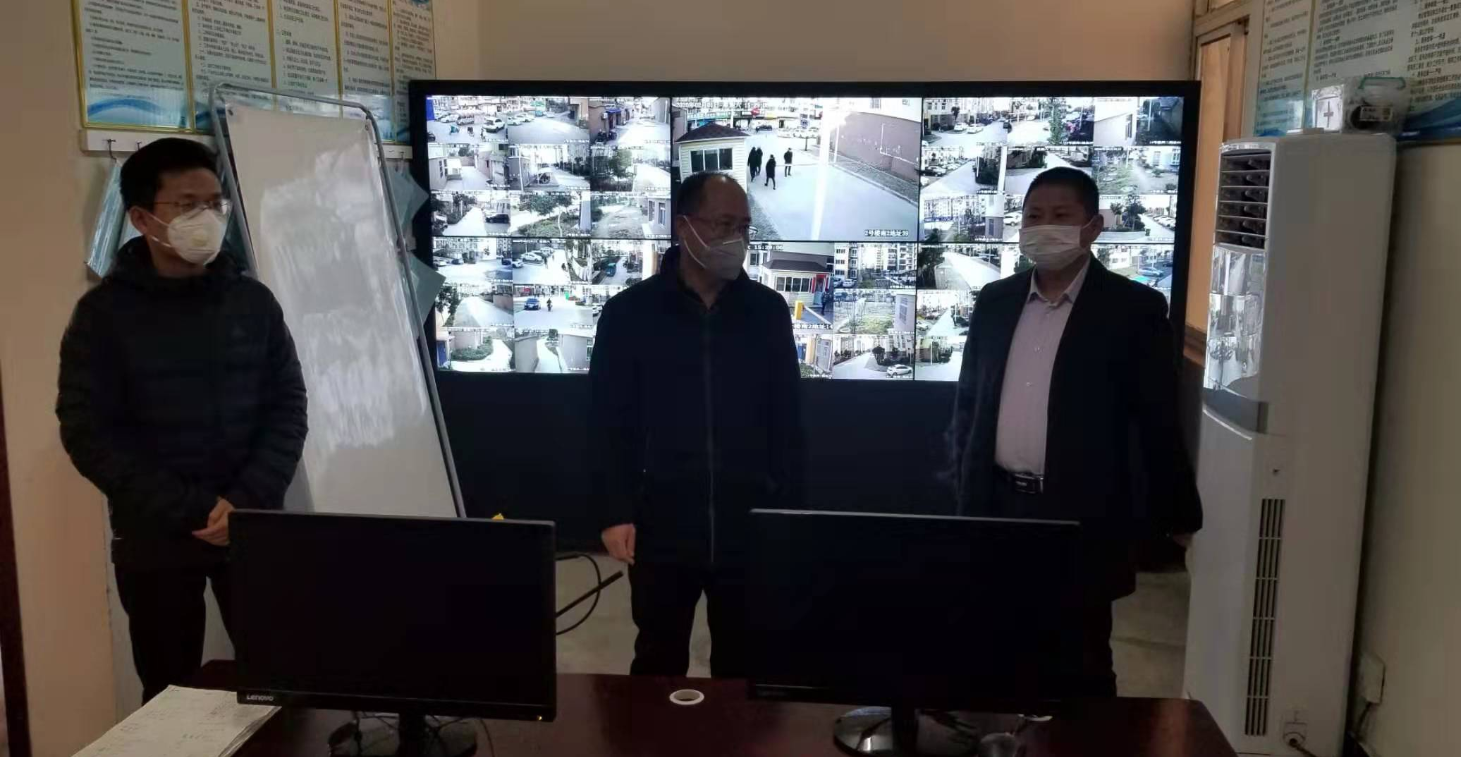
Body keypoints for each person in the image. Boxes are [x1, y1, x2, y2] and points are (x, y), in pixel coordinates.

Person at [56, 138, 309, 702]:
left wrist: (246, 499)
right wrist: (192, 507)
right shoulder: (102, 316)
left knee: (279, 680)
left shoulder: (253, 302)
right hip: (156, 536)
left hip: (254, 525)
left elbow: (287, 406)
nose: (207, 217)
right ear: (142, 218)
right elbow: (88, 431)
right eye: (187, 204)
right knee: (171, 695)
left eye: (215, 204)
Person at [945, 167, 1200, 698]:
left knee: (1080, 661)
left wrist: (1177, 514)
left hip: (1081, 515)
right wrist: (958, 482)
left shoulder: (1133, 310)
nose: (1044, 227)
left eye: (1061, 216)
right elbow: (969, 402)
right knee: (996, 648)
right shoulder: (995, 301)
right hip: (998, 506)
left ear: (1093, 227)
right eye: (1033, 216)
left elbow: (1157, 418)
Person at [591, 172, 803, 677]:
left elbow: (787, 423)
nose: (737, 239)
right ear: (684, 227)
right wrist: (614, 511)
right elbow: (608, 422)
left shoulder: (767, 313)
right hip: (661, 527)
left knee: (744, 665)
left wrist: (788, 519)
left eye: (744, 227)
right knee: (658, 659)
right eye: (724, 225)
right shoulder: (629, 314)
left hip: (747, 524)